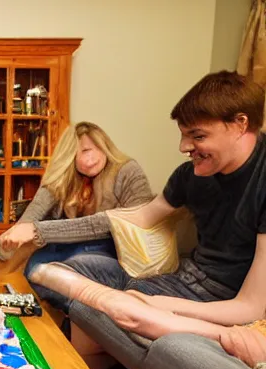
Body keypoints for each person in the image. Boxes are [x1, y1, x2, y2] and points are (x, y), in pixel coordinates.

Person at [27, 70, 266, 336]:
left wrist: (160, 305)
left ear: (240, 124)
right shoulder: (191, 174)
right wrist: (39, 231)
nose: (183, 147)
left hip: (220, 303)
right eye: (184, 135)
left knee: (99, 307)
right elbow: (138, 217)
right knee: (45, 270)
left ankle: (115, 310)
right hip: (176, 279)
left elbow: (251, 307)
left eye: (198, 136)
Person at [0, 121, 153, 307]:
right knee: (36, 265)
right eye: (77, 155)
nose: (88, 160)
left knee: (70, 267)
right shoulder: (68, 176)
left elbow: (116, 222)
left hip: (119, 252)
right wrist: (16, 233)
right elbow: (37, 207)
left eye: (89, 150)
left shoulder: (127, 171)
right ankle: (64, 310)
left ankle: (73, 310)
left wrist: (37, 230)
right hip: (74, 246)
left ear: (104, 146)